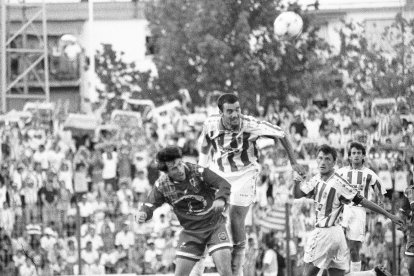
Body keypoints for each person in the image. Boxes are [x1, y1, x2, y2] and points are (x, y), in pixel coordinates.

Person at [198, 93, 304, 275]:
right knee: (210, 214)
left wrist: (293, 162)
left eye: (237, 110)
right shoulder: (211, 124)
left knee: (236, 217)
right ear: (221, 112)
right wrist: (202, 167)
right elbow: (205, 143)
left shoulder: (250, 124)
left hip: (245, 174)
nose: (234, 115)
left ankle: (237, 265)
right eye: (229, 111)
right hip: (220, 173)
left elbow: (282, 133)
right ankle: (201, 260)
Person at [293, 144, 402, 276]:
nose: (323, 162)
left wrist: (388, 214)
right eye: (320, 158)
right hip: (337, 235)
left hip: (323, 232)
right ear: (316, 160)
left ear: (334, 162)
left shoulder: (339, 183)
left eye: (327, 159)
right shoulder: (316, 178)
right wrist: (296, 181)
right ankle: (372, 274)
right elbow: (298, 194)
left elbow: (363, 201)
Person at [136, 146, 233, 276]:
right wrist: (143, 213)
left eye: (180, 164)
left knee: (226, 272)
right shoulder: (162, 185)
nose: (180, 170)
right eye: (174, 168)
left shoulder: (197, 171)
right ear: (166, 172)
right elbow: (149, 204)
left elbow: (223, 184)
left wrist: (220, 198)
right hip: (191, 233)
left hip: (214, 226)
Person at [337, 142, 387, 273]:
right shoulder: (341, 172)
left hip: (359, 211)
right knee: (337, 243)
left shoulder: (368, 173)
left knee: (354, 249)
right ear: (349, 156)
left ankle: (355, 274)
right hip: (343, 209)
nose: (356, 155)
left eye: (359, 153)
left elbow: (380, 187)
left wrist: (381, 200)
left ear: (363, 156)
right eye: (353, 153)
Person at [398, 181, 414, 276]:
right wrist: (404, 223)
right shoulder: (409, 190)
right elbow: (403, 211)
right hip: (413, 233)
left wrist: (412, 201)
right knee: (410, 266)